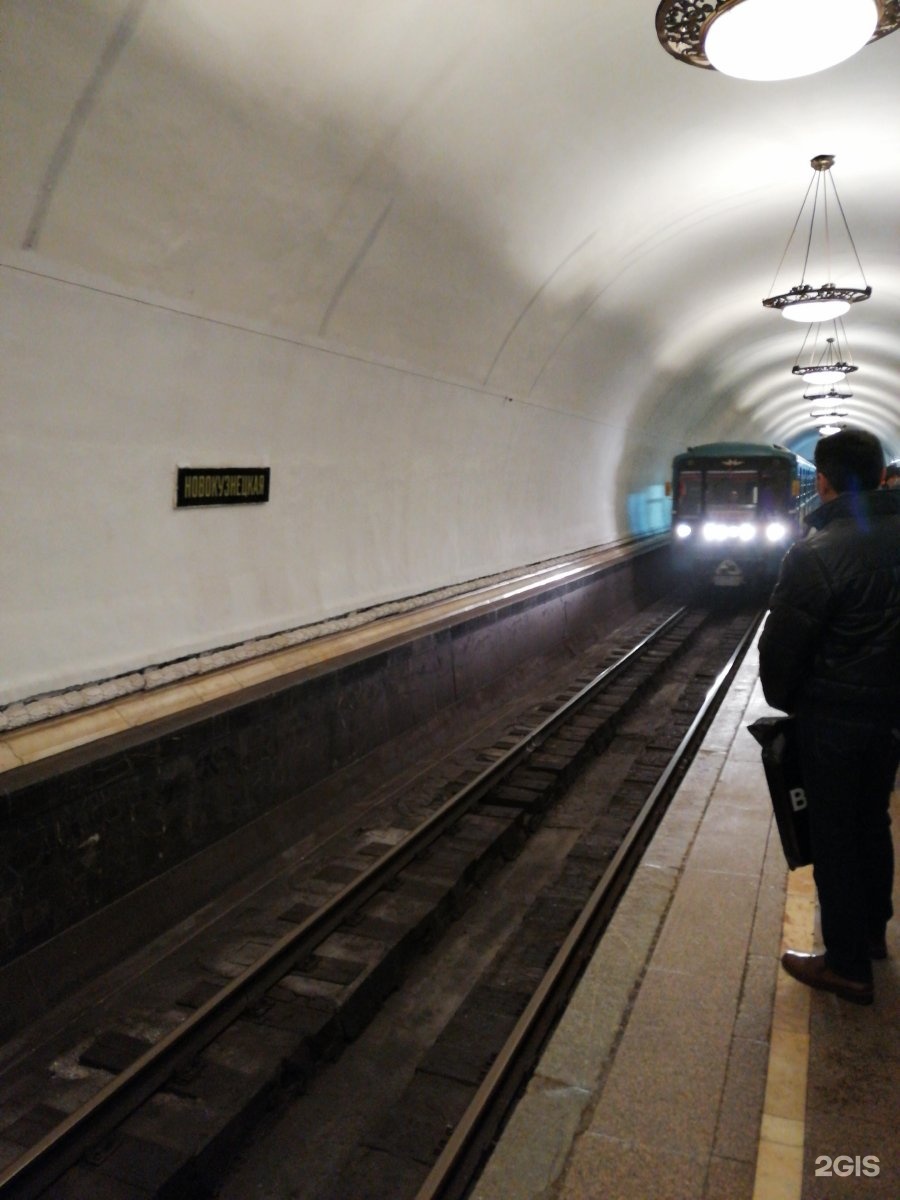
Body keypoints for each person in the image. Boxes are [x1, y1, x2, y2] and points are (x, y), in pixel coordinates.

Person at [758, 428, 900, 1005]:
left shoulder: (814, 554)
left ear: (823, 481)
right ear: (883, 475)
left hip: (835, 720)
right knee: (874, 819)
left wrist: (795, 703)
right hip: (892, 717)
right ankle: (871, 934)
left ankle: (845, 965)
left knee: (835, 832)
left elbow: (780, 656)